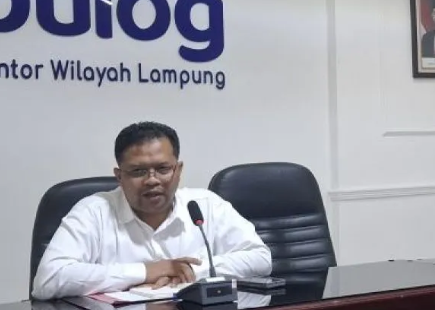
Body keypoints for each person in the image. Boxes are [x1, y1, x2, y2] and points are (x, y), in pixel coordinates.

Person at [31, 121, 272, 300]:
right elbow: (48, 280)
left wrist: (189, 271)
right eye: (138, 171)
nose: (152, 180)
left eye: (163, 169)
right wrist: (147, 271)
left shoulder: (205, 205)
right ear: (119, 176)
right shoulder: (93, 212)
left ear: (178, 170)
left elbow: (260, 258)